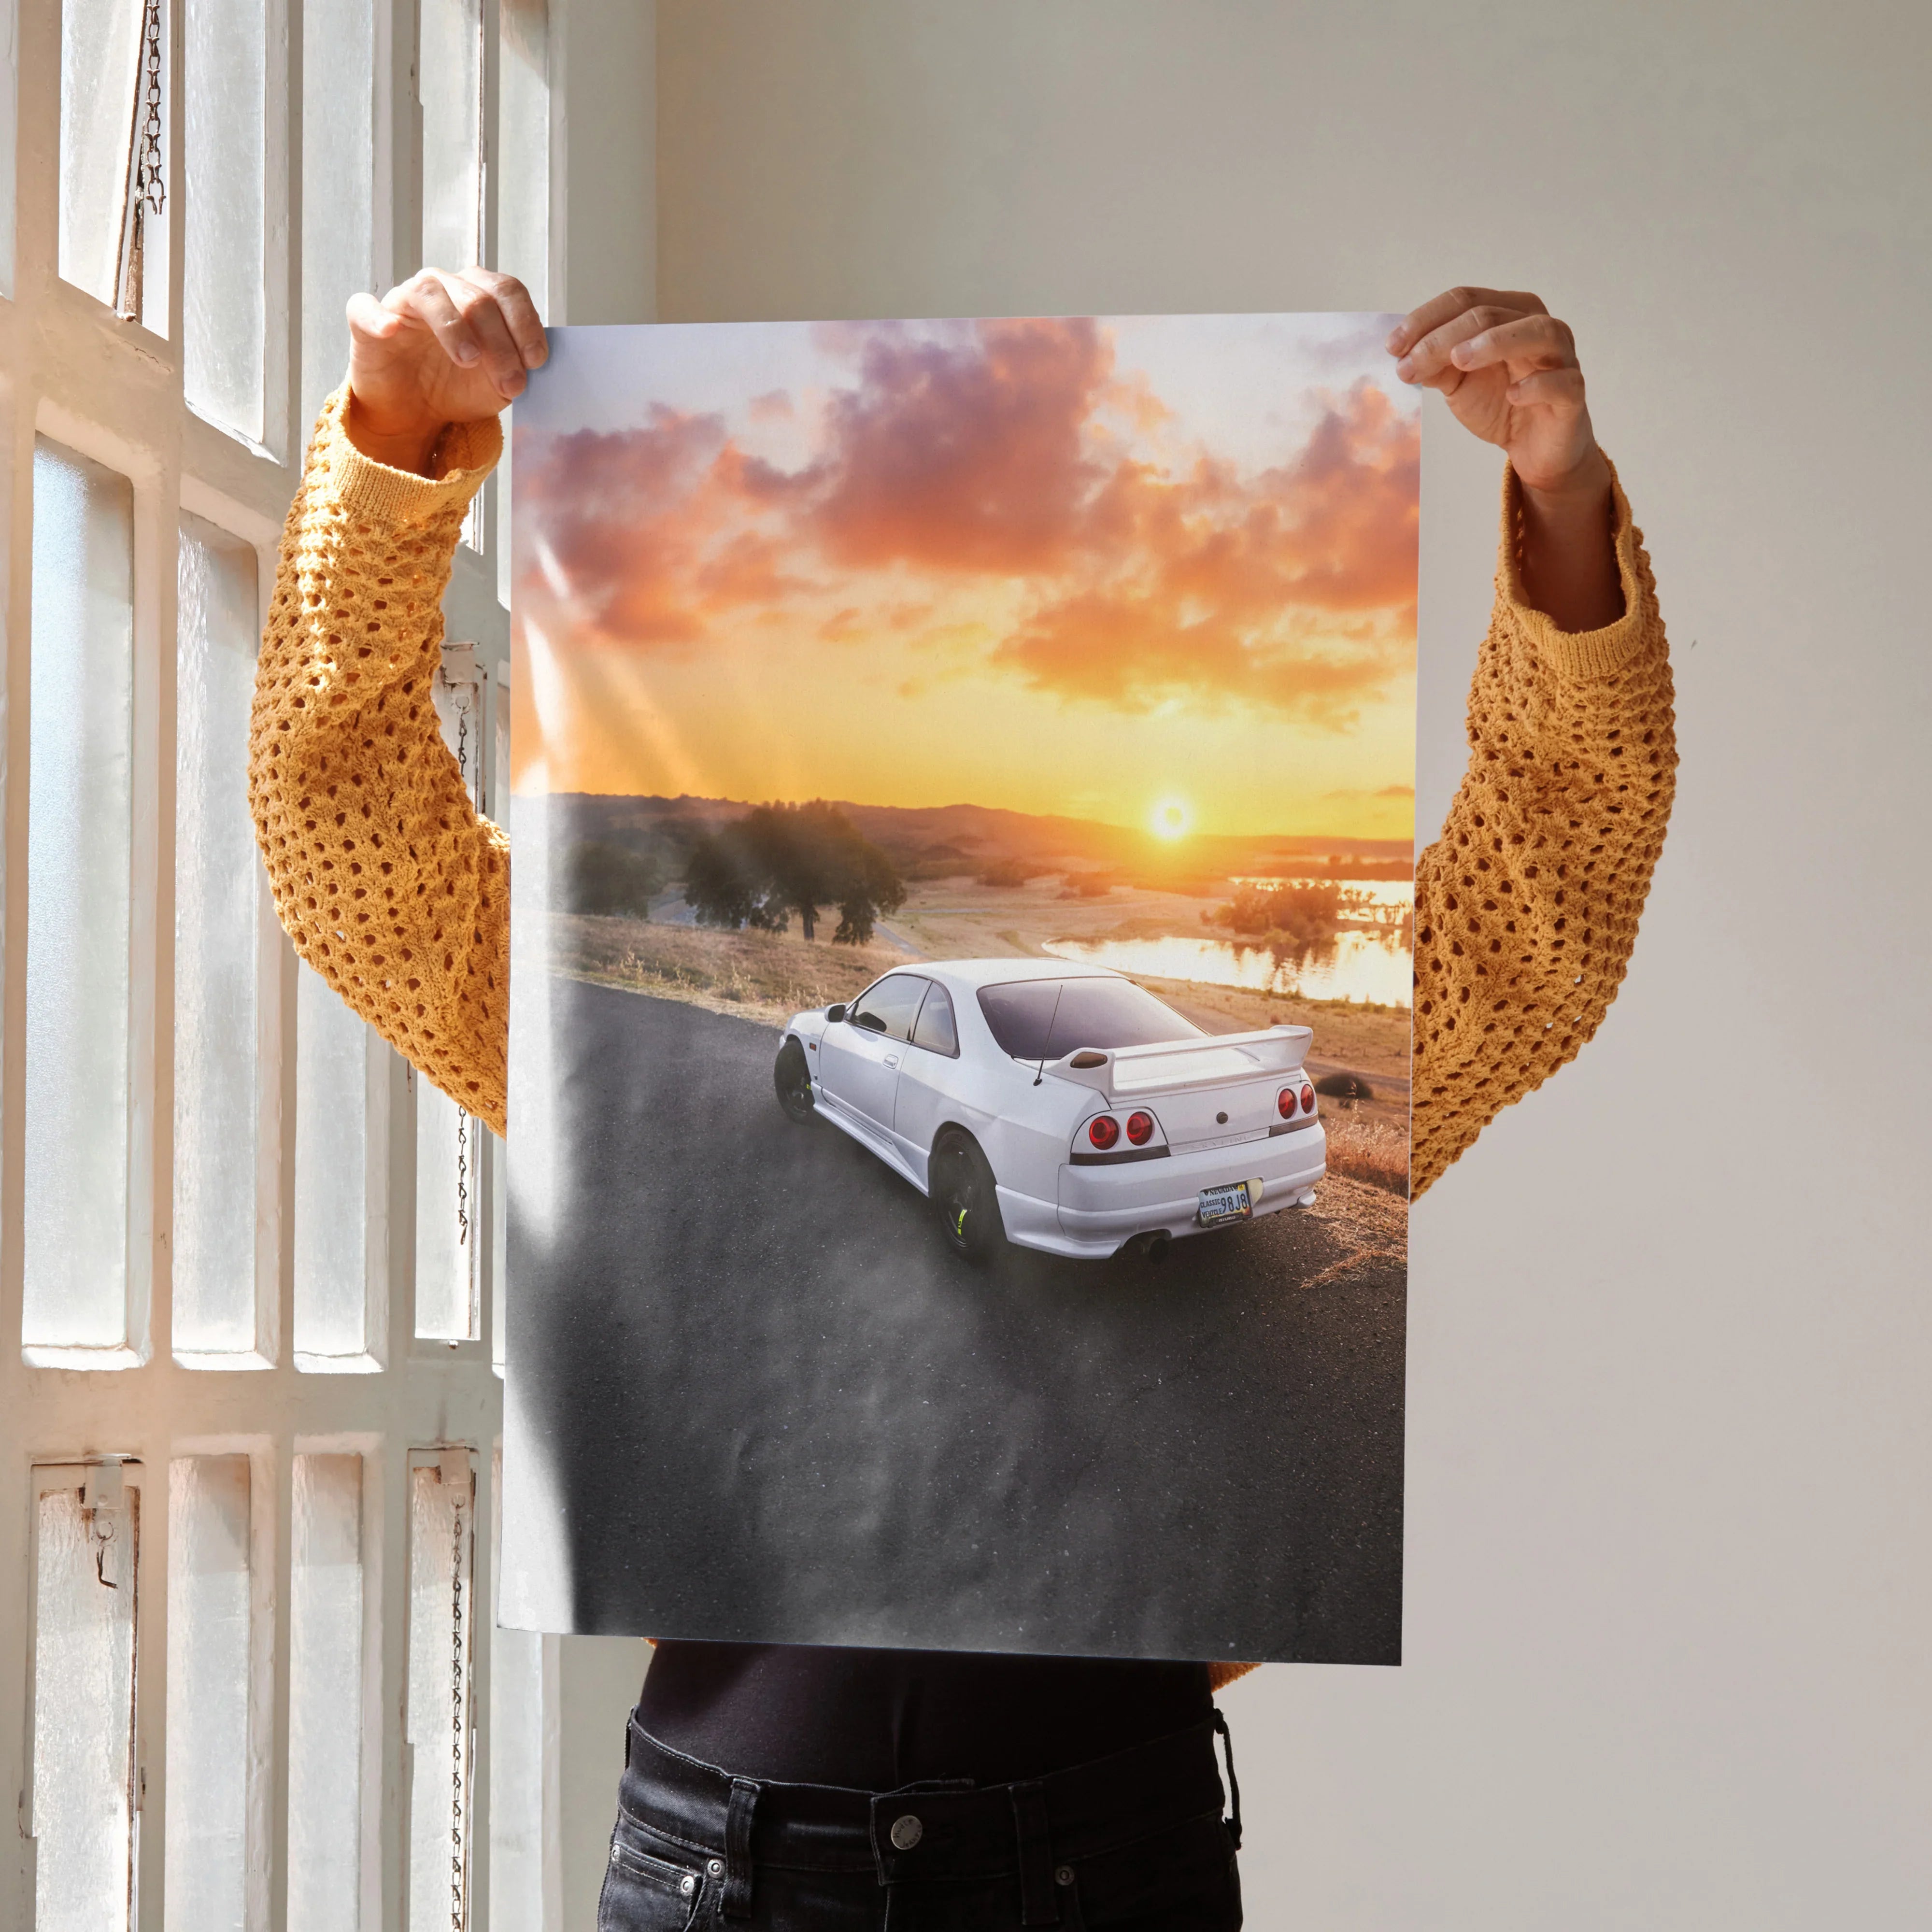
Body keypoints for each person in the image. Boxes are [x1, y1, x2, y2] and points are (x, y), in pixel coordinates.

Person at [250, 270, 1674, 1930]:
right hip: (729, 1864)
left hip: (1102, 1851)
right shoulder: (578, 1042)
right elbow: (346, 840)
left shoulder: (1211, 1095)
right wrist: (391, 446)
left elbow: (1543, 910)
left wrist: (1561, 501)